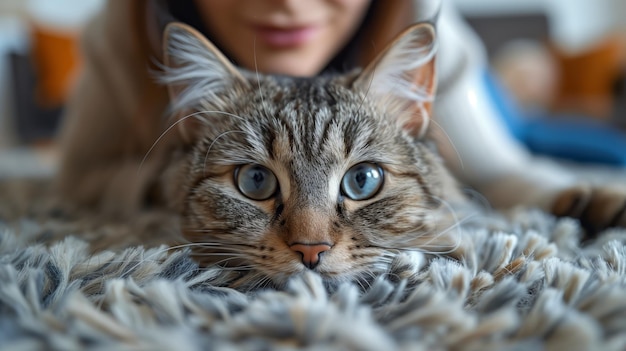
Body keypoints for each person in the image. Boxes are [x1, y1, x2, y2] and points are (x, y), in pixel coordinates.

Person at [54, 0, 580, 216]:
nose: (288, 6)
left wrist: (579, 198)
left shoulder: (417, 13)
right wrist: (170, 179)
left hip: (472, 93)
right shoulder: (122, 28)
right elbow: (79, 178)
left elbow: (495, 172)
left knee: (544, 134)